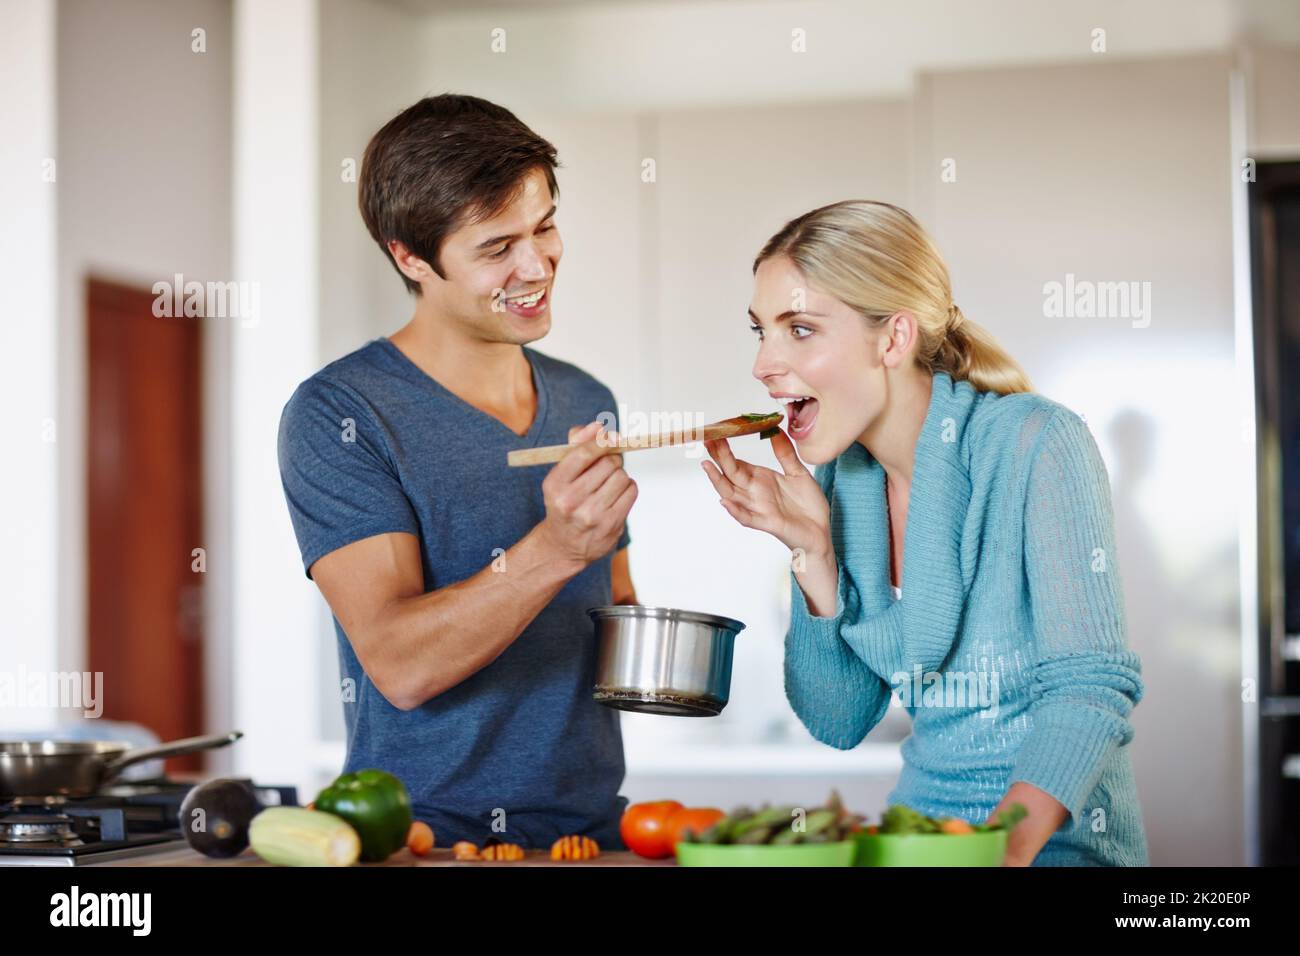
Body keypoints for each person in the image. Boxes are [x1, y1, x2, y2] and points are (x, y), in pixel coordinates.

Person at [701, 200, 1148, 866]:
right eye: (760, 331)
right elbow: (839, 720)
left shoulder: (1036, 443)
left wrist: (997, 853)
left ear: (893, 339)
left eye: (798, 330)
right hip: (921, 843)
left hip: (1053, 848)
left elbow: (1087, 690)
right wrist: (812, 553)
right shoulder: (837, 485)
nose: (764, 364)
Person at [277, 94, 637, 849]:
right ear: (410, 255)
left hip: (593, 835)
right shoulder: (340, 414)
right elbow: (400, 664)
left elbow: (612, 602)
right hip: (426, 841)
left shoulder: (584, 398)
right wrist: (557, 547)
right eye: (496, 246)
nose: (536, 265)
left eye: (544, 227)